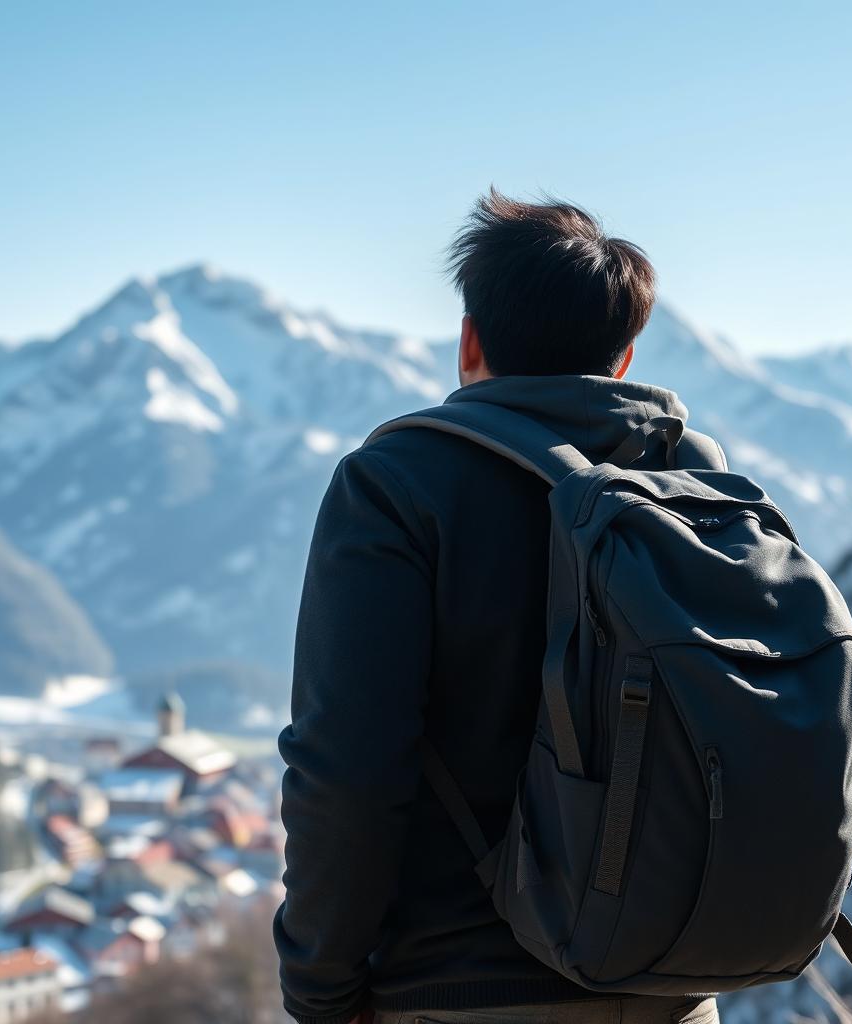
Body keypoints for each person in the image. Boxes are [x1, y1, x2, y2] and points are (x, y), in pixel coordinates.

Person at [273, 189, 720, 1024]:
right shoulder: (691, 486)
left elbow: (348, 772)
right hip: (674, 988)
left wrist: (320, 987)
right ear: (623, 359)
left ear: (469, 340)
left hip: (458, 988)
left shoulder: (397, 486)